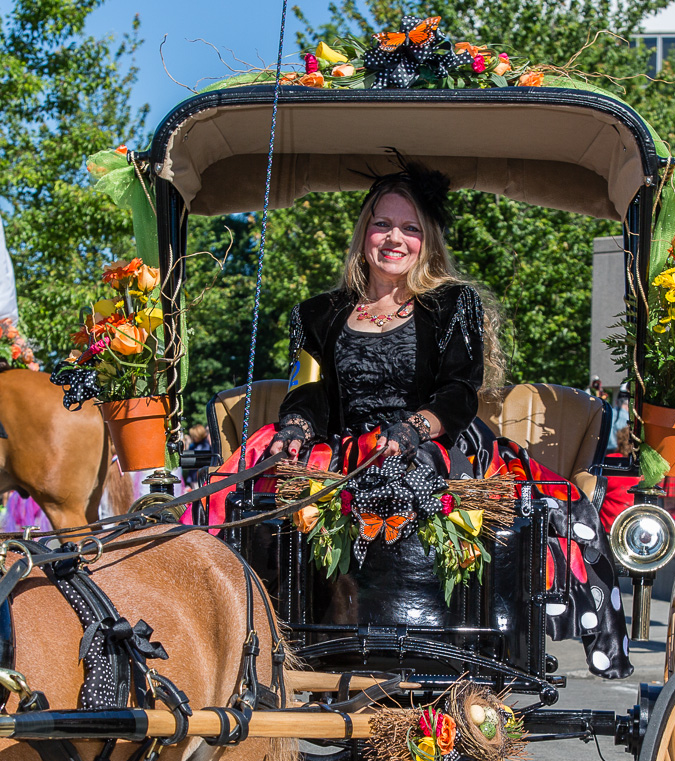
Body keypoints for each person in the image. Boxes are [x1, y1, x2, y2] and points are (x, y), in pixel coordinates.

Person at [264, 161, 630, 678]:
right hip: (350, 446)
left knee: (498, 498)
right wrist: (296, 428)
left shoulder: (452, 304)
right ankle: (269, 631)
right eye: (382, 224)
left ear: (427, 241)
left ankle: (475, 634)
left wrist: (415, 426)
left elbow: (460, 391)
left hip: (435, 435)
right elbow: (310, 390)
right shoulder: (319, 312)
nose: (395, 239)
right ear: (363, 232)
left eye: (410, 228)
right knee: (258, 487)